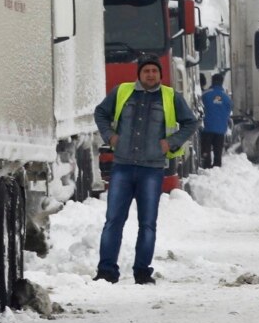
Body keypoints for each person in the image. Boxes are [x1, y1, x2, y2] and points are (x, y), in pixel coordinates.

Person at [92, 55, 199, 285]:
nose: (150, 74)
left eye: (154, 71)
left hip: (152, 170)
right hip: (122, 167)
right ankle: (106, 271)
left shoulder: (171, 97)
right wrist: (110, 136)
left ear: (160, 74)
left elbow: (191, 122)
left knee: (147, 224)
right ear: (139, 74)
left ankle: (142, 272)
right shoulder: (122, 92)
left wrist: (171, 142)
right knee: (113, 221)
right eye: (146, 71)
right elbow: (100, 112)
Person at [200, 73, 231, 169]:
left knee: (206, 149)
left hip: (207, 127)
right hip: (221, 129)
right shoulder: (226, 97)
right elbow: (229, 110)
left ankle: (207, 164)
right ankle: (217, 165)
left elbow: (200, 108)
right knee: (218, 151)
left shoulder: (205, 94)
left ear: (212, 81)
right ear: (222, 82)